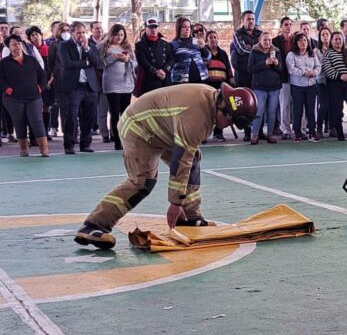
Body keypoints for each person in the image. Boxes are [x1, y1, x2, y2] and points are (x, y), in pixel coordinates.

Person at [73, 83, 258, 249]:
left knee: (192, 159)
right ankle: (93, 225)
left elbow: (186, 153)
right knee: (142, 182)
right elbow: (181, 159)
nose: (226, 126)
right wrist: (175, 203)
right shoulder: (198, 115)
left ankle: (191, 218)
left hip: (160, 130)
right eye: (230, 122)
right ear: (223, 109)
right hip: (138, 128)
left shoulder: (211, 99)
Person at [0, 35, 49, 156]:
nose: (17, 46)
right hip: (13, 99)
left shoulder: (31, 60)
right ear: (8, 47)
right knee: (19, 122)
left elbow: (42, 75)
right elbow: (1, 79)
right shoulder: (4, 63)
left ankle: (44, 148)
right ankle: (23, 149)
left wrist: (41, 87)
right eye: (14, 44)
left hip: (34, 97)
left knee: (37, 121)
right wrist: (7, 89)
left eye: (19, 43)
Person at [58, 22, 101, 154]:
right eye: (78, 32)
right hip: (73, 87)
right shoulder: (64, 45)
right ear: (72, 33)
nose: (81, 35)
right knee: (71, 116)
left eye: (83, 32)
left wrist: (87, 49)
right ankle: (69, 145)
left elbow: (98, 63)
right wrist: (85, 63)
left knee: (89, 116)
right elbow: (67, 63)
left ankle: (86, 144)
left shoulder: (91, 46)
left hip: (90, 86)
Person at [99, 24, 137, 151]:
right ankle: (117, 141)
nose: (119, 37)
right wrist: (114, 57)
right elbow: (99, 63)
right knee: (114, 113)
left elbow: (135, 62)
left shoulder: (128, 47)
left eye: (121, 35)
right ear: (111, 34)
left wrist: (128, 59)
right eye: (117, 35)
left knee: (125, 113)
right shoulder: (104, 46)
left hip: (126, 83)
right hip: (111, 84)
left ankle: (126, 138)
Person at [230, 10, 263, 141]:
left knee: (258, 104)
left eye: (253, 19)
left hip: (257, 75)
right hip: (242, 74)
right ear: (243, 21)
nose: (251, 22)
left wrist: (255, 50)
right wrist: (257, 51)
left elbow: (266, 49)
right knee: (244, 105)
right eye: (248, 19)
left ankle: (258, 131)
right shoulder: (237, 34)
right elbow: (242, 50)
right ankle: (247, 131)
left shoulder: (259, 34)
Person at [247, 31, 285, 144]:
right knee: (259, 111)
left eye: (269, 40)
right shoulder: (254, 52)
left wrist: (277, 63)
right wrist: (265, 63)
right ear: (260, 41)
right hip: (259, 87)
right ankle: (254, 135)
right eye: (265, 40)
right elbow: (250, 68)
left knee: (272, 112)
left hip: (274, 87)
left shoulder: (276, 51)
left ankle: (270, 135)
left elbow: (281, 69)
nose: (267, 42)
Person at [286, 32, 321, 142]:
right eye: (300, 40)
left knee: (311, 110)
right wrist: (303, 72)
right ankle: (297, 133)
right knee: (298, 111)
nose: (303, 43)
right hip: (297, 86)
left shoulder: (312, 54)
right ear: (296, 42)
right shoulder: (291, 55)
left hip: (311, 85)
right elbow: (291, 69)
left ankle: (312, 133)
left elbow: (318, 66)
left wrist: (314, 72)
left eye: (305, 40)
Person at [204, 30, 234, 142]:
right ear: (207, 40)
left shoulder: (223, 53)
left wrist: (231, 83)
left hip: (221, 86)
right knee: (207, 111)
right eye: (211, 37)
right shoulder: (203, 53)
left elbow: (228, 69)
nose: (213, 40)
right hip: (207, 86)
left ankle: (218, 133)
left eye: (215, 37)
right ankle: (204, 134)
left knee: (220, 110)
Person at [136, 17, 173, 95]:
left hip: (165, 79)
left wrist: (164, 70)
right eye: (150, 27)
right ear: (145, 29)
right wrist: (156, 71)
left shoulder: (166, 44)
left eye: (155, 27)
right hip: (149, 81)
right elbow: (142, 61)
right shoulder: (140, 45)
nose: (153, 29)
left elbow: (171, 59)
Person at [272, 17, 295, 140]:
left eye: (290, 24)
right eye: (286, 24)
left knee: (297, 105)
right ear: (281, 27)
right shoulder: (274, 41)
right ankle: (286, 130)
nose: (288, 26)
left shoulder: (297, 40)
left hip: (297, 77)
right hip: (283, 77)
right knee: (285, 104)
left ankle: (299, 129)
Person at [171, 17, 209, 85]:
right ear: (179, 28)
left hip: (201, 78)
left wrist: (203, 48)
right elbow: (170, 62)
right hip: (181, 81)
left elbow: (208, 58)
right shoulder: (173, 44)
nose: (187, 29)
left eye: (189, 27)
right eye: (184, 27)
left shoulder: (196, 41)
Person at [89, 21, 109, 142]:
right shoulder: (89, 44)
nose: (99, 30)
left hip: (109, 82)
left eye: (101, 28)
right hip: (95, 81)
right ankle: (103, 132)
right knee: (100, 109)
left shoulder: (108, 44)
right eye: (96, 28)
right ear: (91, 30)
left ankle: (114, 133)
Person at [315, 27, 332, 137]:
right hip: (321, 80)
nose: (325, 36)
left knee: (332, 105)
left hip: (333, 80)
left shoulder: (335, 49)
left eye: (327, 34)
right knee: (323, 104)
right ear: (320, 37)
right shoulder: (316, 51)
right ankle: (319, 126)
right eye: (323, 35)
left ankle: (330, 126)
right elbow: (318, 66)